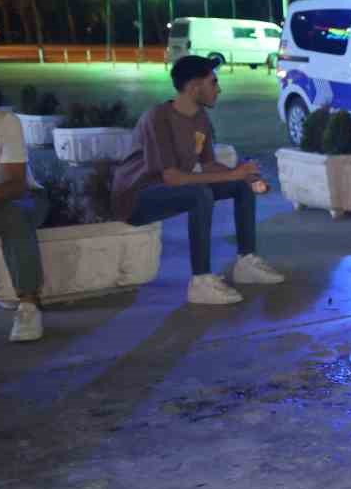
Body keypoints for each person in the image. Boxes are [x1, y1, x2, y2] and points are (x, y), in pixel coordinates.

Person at [111, 55, 285, 305]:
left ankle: (246, 262)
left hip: (169, 188)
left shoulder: (200, 117)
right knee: (199, 194)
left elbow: (209, 164)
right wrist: (231, 174)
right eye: (213, 83)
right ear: (194, 87)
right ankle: (200, 280)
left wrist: (242, 174)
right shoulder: (158, 117)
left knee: (239, 186)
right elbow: (171, 177)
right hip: (137, 197)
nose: (219, 89)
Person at [0, 74, 46, 340]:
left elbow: (16, 185)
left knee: (9, 213)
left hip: (20, 199)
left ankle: (29, 305)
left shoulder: (3, 122)